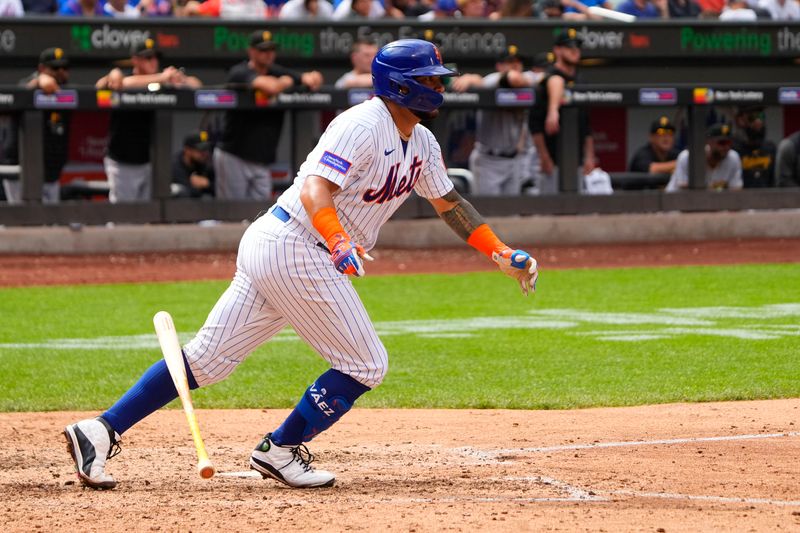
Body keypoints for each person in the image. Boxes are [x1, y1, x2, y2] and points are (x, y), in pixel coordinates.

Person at [63, 38, 538, 492]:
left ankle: (98, 431)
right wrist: (337, 240)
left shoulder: (423, 142)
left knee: (206, 359)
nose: (439, 87)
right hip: (297, 245)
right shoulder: (362, 125)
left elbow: (449, 202)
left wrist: (500, 252)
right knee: (365, 363)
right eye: (429, 80)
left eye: (438, 79)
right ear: (400, 84)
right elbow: (315, 188)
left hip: (284, 246)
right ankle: (282, 448)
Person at [214, 31, 322, 200]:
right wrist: (286, 82)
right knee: (232, 214)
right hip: (234, 156)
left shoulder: (276, 70)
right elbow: (269, 86)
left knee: (260, 214)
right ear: (251, 51)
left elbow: (313, 78)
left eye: (271, 49)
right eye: (263, 50)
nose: (268, 54)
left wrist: (308, 78)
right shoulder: (239, 71)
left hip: (262, 160)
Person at [96, 39, 202, 203]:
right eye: (147, 57)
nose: (153, 61)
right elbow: (122, 84)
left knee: (146, 215)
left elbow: (197, 85)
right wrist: (162, 77)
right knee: (124, 217)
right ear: (135, 60)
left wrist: (179, 79)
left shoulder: (161, 82)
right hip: (122, 161)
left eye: (154, 57)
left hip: (148, 161)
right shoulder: (124, 77)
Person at [451, 45, 540, 195]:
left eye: (518, 62)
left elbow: (544, 78)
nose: (516, 65)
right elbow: (491, 80)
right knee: (488, 212)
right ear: (499, 66)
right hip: (488, 160)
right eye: (510, 62)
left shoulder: (527, 79)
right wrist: (470, 77)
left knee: (511, 212)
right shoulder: (495, 80)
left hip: (513, 160)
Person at [528, 29, 596, 194]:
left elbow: (586, 124)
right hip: (552, 159)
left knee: (577, 207)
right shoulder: (548, 77)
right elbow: (534, 124)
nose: (574, 50)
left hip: (577, 159)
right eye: (568, 46)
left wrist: (589, 156)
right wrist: (544, 156)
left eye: (577, 47)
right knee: (549, 208)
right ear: (557, 50)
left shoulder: (581, 80)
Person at [2, 47, 72, 205]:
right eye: (55, 68)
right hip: (21, 172)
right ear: (41, 68)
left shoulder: (68, 92)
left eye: (64, 68)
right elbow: (17, 96)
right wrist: (39, 80)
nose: (60, 72)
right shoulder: (27, 86)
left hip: (51, 173)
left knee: (51, 224)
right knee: (24, 223)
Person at [666, 123, 743, 191]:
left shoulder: (733, 157)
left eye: (729, 143)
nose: (726, 147)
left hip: (712, 204)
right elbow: (683, 188)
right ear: (709, 142)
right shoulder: (687, 157)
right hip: (675, 203)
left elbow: (736, 189)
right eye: (722, 143)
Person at [732, 105, 775, 188]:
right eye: (752, 117)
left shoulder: (770, 148)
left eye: (761, 116)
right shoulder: (733, 150)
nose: (758, 121)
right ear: (740, 120)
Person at [172, 131, 214, 198]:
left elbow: (219, 188)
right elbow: (188, 194)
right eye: (201, 149)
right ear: (187, 150)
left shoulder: (203, 163)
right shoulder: (175, 166)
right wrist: (200, 186)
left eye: (206, 149)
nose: (205, 153)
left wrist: (208, 184)